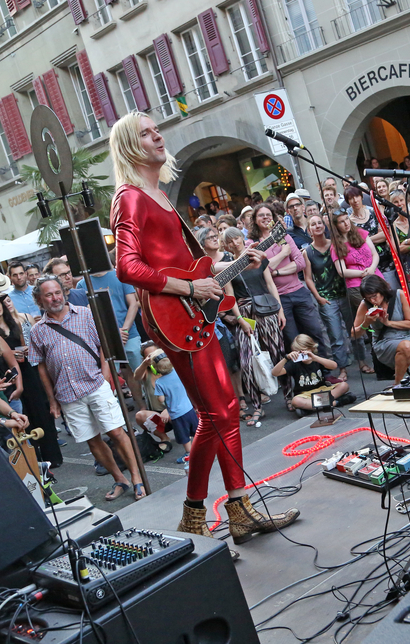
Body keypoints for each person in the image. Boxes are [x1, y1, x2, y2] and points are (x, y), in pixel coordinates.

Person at [110, 114, 297, 539]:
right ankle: (218, 514)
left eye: (157, 128)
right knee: (221, 411)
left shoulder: (156, 195)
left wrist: (224, 268)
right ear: (129, 145)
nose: (158, 135)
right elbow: (126, 266)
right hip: (175, 316)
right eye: (146, 132)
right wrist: (189, 290)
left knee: (218, 414)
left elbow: (185, 263)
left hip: (189, 313)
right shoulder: (131, 197)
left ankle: (213, 514)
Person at [29, 277, 144, 501]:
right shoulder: (37, 331)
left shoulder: (85, 313)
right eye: (49, 295)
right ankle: (120, 478)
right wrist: (52, 401)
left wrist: (105, 374)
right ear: (40, 300)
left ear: (64, 292)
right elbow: (41, 367)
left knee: (117, 432)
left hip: (95, 383)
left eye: (57, 292)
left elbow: (104, 343)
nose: (55, 298)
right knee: (92, 440)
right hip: (67, 394)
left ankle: (138, 479)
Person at [0, 289, 61, 467]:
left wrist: (22, 351)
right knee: (22, 415)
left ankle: (52, 456)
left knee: (40, 410)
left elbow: (28, 347)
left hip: (28, 370)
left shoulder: (16, 321)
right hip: (6, 374)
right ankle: (36, 460)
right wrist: (10, 354)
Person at [247, 204, 331, 364]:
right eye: (261, 215)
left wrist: (275, 271)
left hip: (299, 291)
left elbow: (300, 263)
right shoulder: (252, 243)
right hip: (278, 298)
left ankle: (325, 371)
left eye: (268, 214)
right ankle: (303, 379)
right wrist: (284, 254)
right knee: (292, 339)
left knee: (314, 331)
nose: (265, 217)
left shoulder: (283, 236)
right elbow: (258, 270)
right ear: (255, 220)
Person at [222, 228, 284, 427]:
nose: (234, 243)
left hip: (266, 308)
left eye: (236, 238)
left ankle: (290, 396)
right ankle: (257, 405)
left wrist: (280, 310)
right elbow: (229, 295)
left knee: (278, 353)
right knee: (247, 362)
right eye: (229, 241)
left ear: (242, 238)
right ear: (226, 246)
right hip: (244, 312)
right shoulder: (228, 267)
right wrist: (239, 319)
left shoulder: (258, 257)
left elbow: (270, 284)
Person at [74, 252, 147, 412]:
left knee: (139, 372)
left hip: (129, 334)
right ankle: (117, 414)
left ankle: (146, 406)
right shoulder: (82, 284)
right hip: (103, 339)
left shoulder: (119, 275)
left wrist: (125, 329)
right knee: (109, 379)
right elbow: (87, 314)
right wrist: (111, 333)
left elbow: (133, 304)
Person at [302, 215, 351, 382]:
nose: (317, 226)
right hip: (326, 298)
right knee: (336, 335)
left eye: (319, 223)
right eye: (313, 224)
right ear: (309, 230)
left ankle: (362, 362)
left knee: (354, 331)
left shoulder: (335, 244)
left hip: (345, 293)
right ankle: (342, 368)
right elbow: (308, 278)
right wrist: (318, 297)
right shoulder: (307, 252)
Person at [350, 275, 410, 385]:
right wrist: (366, 323)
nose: (372, 300)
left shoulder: (399, 295)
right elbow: (353, 334)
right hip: (384, 340)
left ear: (382, 291)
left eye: (374, 296)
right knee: (406, 346)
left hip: (408, 335)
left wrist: (388, 323)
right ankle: (398, 384)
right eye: (368, 297)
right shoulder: (365, 304)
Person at [331, 211, 379, 375]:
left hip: (375, 277)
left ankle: (386, 356)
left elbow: (374, 254)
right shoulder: (336, 245)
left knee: (385, 314)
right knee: (371, 320)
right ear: (336, 226)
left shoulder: (361, 233)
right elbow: (342, 271)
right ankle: (371, 360)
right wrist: (362, 273)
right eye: (341, 221)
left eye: (347, 219)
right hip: (356, 285)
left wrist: (371, 269)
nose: (346, 223)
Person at [271, 334, 350, 411]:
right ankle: (332, 403)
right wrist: (285, 358)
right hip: (305, 394)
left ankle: (314, 407)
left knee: (344, 385)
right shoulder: (294, 363)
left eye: (304, 351)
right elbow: (275, 373)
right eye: (299, 352)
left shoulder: (316, 358)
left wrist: (315, 358)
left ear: (311, 348)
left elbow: (334, 366)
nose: (302, 354)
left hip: (322, 390)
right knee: (296, 401)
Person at [150, 350, 199, 465]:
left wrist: (163, 399)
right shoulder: (178, 372)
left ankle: (189, 453)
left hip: (177, 414)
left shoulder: (159, 383)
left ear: (155, 369)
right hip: (189, 409)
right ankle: (202, 448)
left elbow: (161, 399)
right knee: (196, 430)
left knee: (184, 436)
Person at [345, 186, 394, 287]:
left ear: (361, 197)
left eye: (357, 196)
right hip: (368, 266)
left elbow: (385, 234)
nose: (355, 200)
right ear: (348, 201)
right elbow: (356, 244)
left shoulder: (373, 211)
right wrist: (374, 238)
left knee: (392, 290)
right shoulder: (349, 222)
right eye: (351, 198)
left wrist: (365, 239)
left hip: (386, 260)